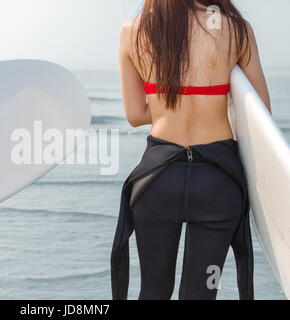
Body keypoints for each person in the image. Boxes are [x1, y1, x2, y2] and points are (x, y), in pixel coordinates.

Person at [111, 0, 271, 300]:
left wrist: (166, 102)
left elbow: (135, 114)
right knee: (201, 294)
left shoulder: (133, 31)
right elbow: (260, 115)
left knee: (154, 291)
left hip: (156, 181)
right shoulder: (236, 30)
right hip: (218, 183)